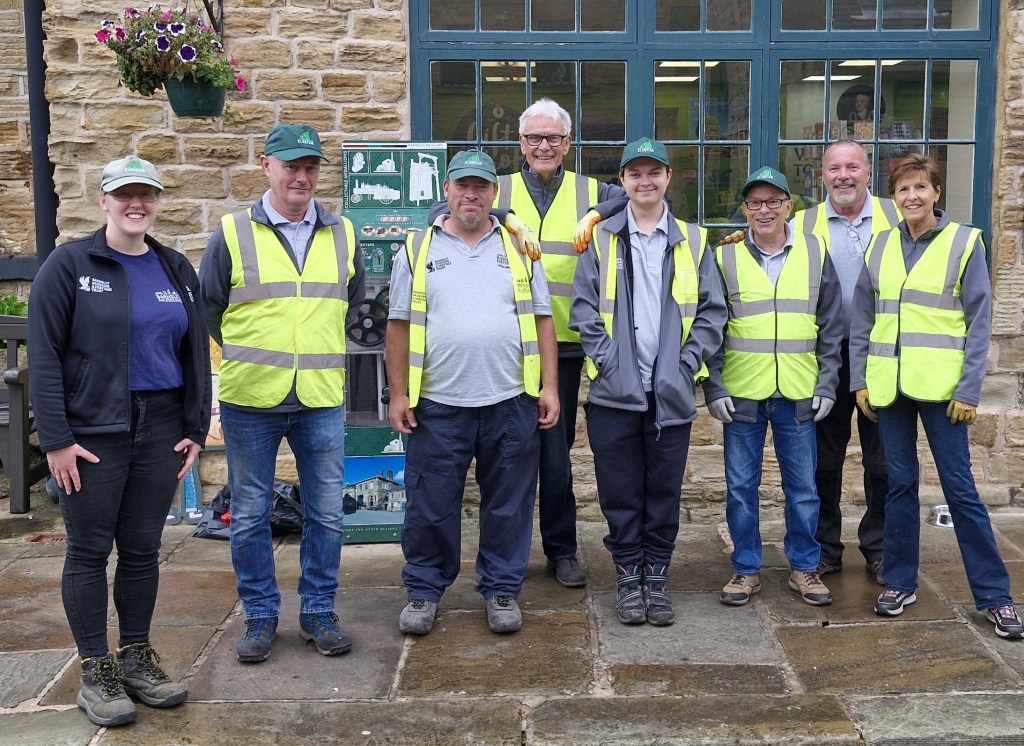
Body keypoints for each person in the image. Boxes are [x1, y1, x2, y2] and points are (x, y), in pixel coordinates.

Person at [29, 156, 211, 726]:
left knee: (140, 550)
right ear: (104, 200)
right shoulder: (69, 265)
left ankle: (136, 658)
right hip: (93, 433)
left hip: (160, 428)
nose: (137, 205)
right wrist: (56, 439)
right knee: (88, 551)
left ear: (157, 202)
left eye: (147, 195)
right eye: (125, 195)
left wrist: (195, 430)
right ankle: (96, 672)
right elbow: (44, 356)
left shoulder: (175, 267)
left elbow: (196, 353)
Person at [428, 98, 625, 588]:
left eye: (554, 138)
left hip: (568, 342)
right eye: (535, 138)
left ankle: (561, 549)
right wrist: (505, 216)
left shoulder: (588, 190)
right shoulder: (503, 189)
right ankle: (489, 555)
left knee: (556, 454)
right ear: (520, 143)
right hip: (511, 343)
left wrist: (597, 213)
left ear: (568, 143)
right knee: (507, 456)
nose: (544, 146)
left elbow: (632, 197)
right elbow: (440, 207)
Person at [199, 124, 365, 662]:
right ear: (266, 165)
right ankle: (260, 617)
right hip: (253, 399)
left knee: (327, 514)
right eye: (291, 165)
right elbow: (209, 308)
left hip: (319, 395)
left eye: (310, 166)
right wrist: (248, 356)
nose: (301, 176)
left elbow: (352, 300)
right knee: (248, 514)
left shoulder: (344, 233)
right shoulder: (231, 232)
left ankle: (318, 611)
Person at [849, 153, 1024, 639]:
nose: (911, 197)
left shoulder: (965, 244)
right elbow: (863, 318)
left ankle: (995, 597)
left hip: (946, 391)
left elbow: (979, 322)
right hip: (891, 388)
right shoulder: (880, 245)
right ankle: (900, 581)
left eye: (920, 188)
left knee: (961, 491)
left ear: (936, 193)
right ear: (894, 197)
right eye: (903, 190)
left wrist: (970, 389)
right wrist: (860, 380)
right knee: (899, 486)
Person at [387, 149, 559, 636]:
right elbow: (397, 326)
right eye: (462, 185)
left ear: (494, 193)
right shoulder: (418, 247)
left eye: (481, 186)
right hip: (438, 404)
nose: (471, 194)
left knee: (508, 503)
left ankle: (501, 587)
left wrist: (549, 386)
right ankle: (423, 589)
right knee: (431, 504)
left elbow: (543, 319)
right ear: (446, 190)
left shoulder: (519, 248)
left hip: (509, 400)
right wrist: (397, 394)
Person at [570, 137, 726, 626]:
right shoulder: (600, 239)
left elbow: (711, 312)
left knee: (663, 493)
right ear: (622, 182)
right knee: (619, 492)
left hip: (670, 394)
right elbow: (584, 310)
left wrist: (685, 364)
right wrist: (610, 363)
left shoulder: (694, 240)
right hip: (615, 394)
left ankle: (656, 578)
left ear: (667, 179)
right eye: (635, 174)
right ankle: (627, 577)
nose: (645, 181)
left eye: (653, 173)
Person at [705, 166, 843, 608]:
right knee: (741, 488)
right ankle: (746, 570)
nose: (763, 211)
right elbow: (710, 326)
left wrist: (827, 383)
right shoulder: (723, 257)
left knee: (803, 488)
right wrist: (715, 387)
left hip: (800, 392)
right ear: (744, 209)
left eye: (772, 202)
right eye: (754, 203)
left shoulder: (815, 251)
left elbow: (832, 325)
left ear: (788, 206)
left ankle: (804, 567)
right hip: (742, 392)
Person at [794, 140, 901, 586]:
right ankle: (824, 549)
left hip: (883, 354)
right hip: (826, 354)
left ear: (868, 171)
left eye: (852, 167)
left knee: (883, 460)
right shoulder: (803, 222)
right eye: (835, 168)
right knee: (823, 459)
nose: (844, 176)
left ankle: (878, 548)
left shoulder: (897, 216)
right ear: (822, 175)